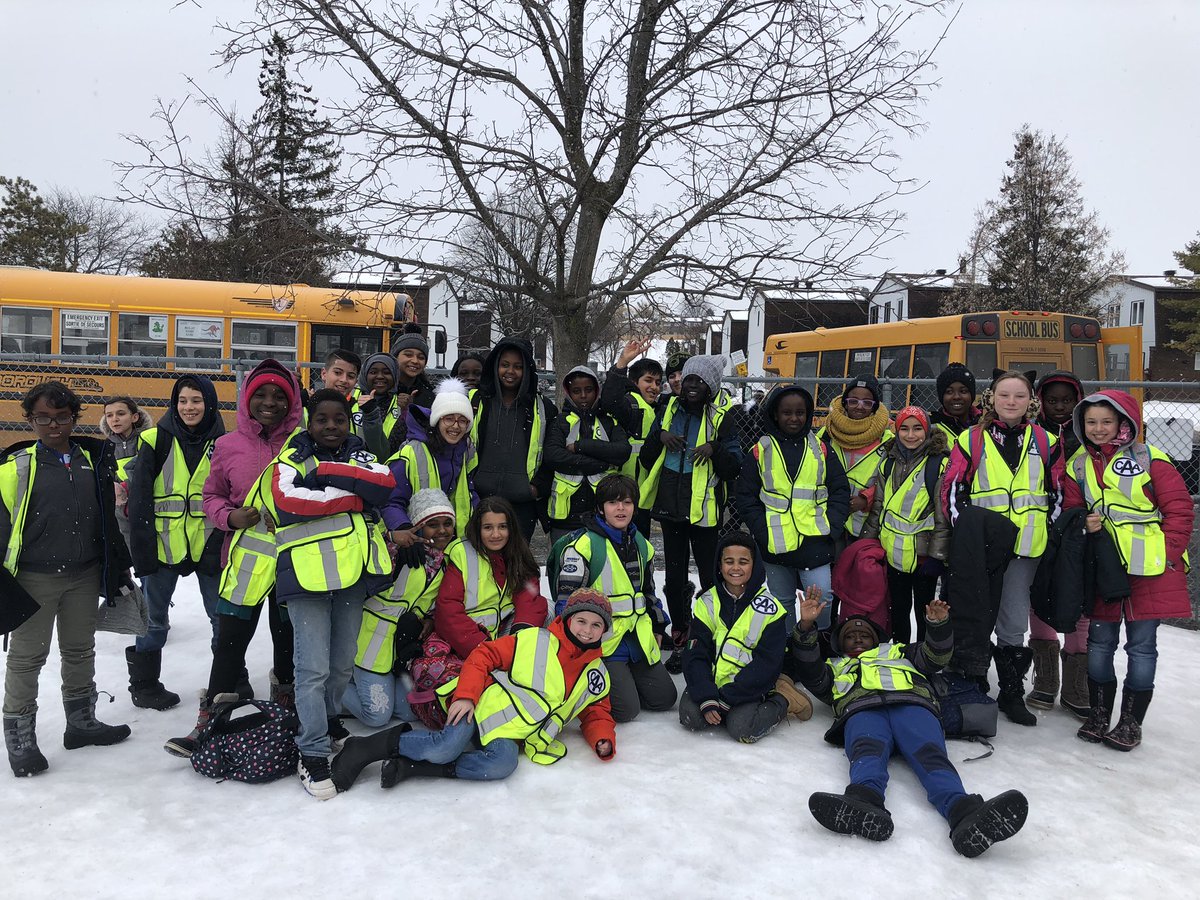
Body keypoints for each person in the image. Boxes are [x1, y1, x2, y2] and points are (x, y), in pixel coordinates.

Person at [796, 591, 1028, 858]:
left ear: (877, 639)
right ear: (840, 643)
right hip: (863, 710)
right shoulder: (835, 667)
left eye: (864, 635)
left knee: (931, 756)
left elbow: (936, 656)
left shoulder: (900, 651)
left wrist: (938, 626)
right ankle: (864, 800)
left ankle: (963, 812)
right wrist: (805, 628)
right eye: (849, 635)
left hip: (913, 706)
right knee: (866, 751)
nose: (857, 638)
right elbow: (811, 674)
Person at [329, 588, 617, 792]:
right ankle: (364, 748)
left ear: (603, 630)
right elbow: (483, 656)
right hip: (480, 705)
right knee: (445, 747)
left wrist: (602, 739)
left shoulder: (597, 674)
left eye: (596, 625)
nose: (587, 630)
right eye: (581, 621)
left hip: (509, 732)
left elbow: (596, 713)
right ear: (567, 619)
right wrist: (466, 695)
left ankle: (414, 768)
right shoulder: (534, 639)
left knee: (502, 765)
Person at [254, 389, 395, 799]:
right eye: (322, 420)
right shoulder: (291, 457)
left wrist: (327, 476)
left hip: (351, 574)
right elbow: (288, 500)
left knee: (340, 663)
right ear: (308, 422)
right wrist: (353, 497)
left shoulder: (357, 449)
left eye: (339, 419)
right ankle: (311, 749)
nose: (331, 426)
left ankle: (330, 722)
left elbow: (384, 483)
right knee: (311, 669)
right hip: (304, 577)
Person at [165, 359, 300, 758]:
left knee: (288, 642)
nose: (269, 402)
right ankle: (211, 720)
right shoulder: (227, 446)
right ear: (246, 398)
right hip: (243, 563)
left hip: (294, 564)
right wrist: (230, 517)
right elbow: (211, 497)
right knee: (229, 643)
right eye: (260, 393)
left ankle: (287, 713)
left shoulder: (304, 442)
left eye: (279, 395)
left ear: (292, 401)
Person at [2, 382, 133, 777]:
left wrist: (116, 565)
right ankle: (20, 736)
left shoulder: (91, 458)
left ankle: (81, 722)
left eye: (62, 417)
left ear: (74, 418)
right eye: (43, 417)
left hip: (83, 574)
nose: (53, 425)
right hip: (33, 578)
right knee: (27, 658)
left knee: (80, 649)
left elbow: (106, 518)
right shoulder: (15, 465)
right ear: (29, 419)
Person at [1065, 390, 1194, 751]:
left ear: (1125, 422)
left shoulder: (1151, 459)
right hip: (1105, 570)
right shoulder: (1079, 463)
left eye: (1107, 421)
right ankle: (1100, 713)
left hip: (1149, 571)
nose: (1099, 429)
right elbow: (1073, 510)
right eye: (1091, 422)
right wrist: (1082, 524)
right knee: (1100, 643)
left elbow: (1180, 510)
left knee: (1141, 647)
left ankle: (1131, 722)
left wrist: (1166, 556)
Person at [940, 370, 1063, 727]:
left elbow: (1057, 492)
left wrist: (1048, 527)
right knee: (976, 615)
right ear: (991, 398)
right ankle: (973, 678)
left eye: (1019, 396)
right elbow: (953, 490)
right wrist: (966, 533)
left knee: (1012, 620)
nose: (1011, 402)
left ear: (1030, 402)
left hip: (1026, 545)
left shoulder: (1045, 440)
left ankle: (1010, 690)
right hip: (981, 548)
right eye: (1004, 395)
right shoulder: (971, 439)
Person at [125, 374, 226, 710]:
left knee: (221, 618)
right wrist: (143, 554)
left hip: (211, 547)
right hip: (163, 548)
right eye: (182, 401)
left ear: (209, 403)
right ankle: (144, 685)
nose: (189, 407)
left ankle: (229, 680)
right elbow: (139, 501)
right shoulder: (154, 440)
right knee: (153, 620)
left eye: (196, 400)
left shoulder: (224, 443)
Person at [638, 354, 741, 673]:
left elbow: (733, 467)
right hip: (670, 506)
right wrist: (661, 436)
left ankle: (706, 634)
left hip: (705, 511)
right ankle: (681, 633)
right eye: (688, 379)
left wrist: (715, 448)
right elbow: (645, 457)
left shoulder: (722, 416)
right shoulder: (668, 409)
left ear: (711, 386)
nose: (691, 385)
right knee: (673, 576)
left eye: (699, 381)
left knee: (710, 577)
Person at [551, 474, 676, 722]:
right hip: (603, 643)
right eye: (613, 502)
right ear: (600, 508)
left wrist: (659, 624)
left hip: (637, 638)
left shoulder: (640, 543)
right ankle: (595, 682)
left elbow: (648, 591)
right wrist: (578, 647)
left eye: (627, 502)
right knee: (626, 711)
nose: (621, 508)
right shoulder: (583, 546)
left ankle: (624, 677)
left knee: (664, 699)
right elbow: (566, 604)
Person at [735, 383, 849, 631]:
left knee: (823, 601)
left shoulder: (821, 450)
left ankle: (817, 645)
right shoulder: (760, 451)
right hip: (775, 543)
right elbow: (745, 496)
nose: (794, 418)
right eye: (787, 412)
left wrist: (833, 526)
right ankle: (785, 648)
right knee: (782, 601)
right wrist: (761, 529)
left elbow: (840, 490)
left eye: (800, 412)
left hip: (815, 542)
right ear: (775, 414)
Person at [679, 533, 808, 743]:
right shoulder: (707, 602)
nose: (735, 568)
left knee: (741, 729)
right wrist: (706, 695)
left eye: (743, 562)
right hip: (712, 680)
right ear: (719, 565)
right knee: (691, 717)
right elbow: (696, 652)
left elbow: (767, 663)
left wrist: (729, 697)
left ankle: (783, 699)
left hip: (748, 685)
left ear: (754, 565)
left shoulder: (771, 609)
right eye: (729, 561)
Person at [344, 489, 456, 727]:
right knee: (377, 715)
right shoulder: (401, 553)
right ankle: (331, 685)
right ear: (418, 527)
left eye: (447, 523)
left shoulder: (446, 562)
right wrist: (394, 538)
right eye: (432, 524)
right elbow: (370, 549)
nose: (442, 530)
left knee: (409, 712)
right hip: (368, 643)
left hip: (398, 652)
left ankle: (356, 682)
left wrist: (428, 619)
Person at [859, 406, 950, 645]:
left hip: (923, 556)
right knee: (898, 608)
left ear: (927, 430)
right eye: (905, 429)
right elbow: (878, 505)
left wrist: (937, 556)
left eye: (917, 428)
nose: (911, 435)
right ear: (897, 431)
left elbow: (943, 517)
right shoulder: (888, 462)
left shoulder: (938, 465)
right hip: (893, 553)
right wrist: (866, 543)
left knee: (924, 611)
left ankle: (923, 656)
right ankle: (900, 652)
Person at [1027, 371, 1089, 715]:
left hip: (1078, 531)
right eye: (1053, 400)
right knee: (1041, 596)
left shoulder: (1089, 435)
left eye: (1067, 400)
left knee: (1079, 603)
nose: (1061, 406)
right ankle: (1047, 677)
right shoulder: (1034, 436)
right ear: (1042, 402)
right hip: (1042, 529)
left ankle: (1077, 681)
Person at [433, 497, 549, 661]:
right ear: (477, 529)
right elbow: (448, 610)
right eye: (488, 528)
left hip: (504, 630)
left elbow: (529, 596)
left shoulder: (516, 550)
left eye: (502, 527)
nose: (496, 534)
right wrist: (484, 649)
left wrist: (520, 635)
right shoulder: (462, 553)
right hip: (470, 638)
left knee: (547, 610)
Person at [470, 337, 557, 541]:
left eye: (518, 366)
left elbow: (552, 453)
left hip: (522, 504)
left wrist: (536, 489)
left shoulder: (543, 408)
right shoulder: (474, 400)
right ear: (495, 366)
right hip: (479, 498)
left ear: (527, 370)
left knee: (516, 565)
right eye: (505, 365)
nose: (510, 372)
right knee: (479, 563)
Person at [382, 377, 477, 541]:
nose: (456, 426)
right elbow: (391, 500)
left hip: (452, 537)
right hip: (416, 537)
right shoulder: (411, 453)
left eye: (463, 421)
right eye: (449, 419)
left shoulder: (464, 451)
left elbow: (467, 492)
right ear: (437, 421)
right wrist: (403, 528)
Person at [544, 366, 630, 543]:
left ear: (597, 391)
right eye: (576, 391)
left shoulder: (608, 422)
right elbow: (553, 456)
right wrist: (601, 463)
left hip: (603, 514)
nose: (583, 396)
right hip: (565, 516)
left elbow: (622, 451)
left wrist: (581, 446)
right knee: (565, 567)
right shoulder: (560, 422)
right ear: (569, 393)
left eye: (588, 390)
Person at [816, 374, 891, 541]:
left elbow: (892, 479)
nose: (859, 406)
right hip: (828, 516)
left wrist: (866, 500)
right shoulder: (827, 434)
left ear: (875, 406)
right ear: (845, 402)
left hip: (865, 523)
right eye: (853, 401)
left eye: (867, 402)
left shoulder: (887, 440)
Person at [600, 338, 662, 536]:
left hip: (639, 494)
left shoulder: (652, 408)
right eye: (648, 381)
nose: (655, 387)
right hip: (623, 493)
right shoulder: (631, 404)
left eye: (659, 382)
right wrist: (621, 365)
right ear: (634, 383)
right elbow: (610, 400)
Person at [100, 396, 154, 550]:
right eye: (109, 415)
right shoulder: (105, 447)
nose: (114, 419)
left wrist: (125, 485)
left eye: (121, 414)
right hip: (119, 509)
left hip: (147, 505)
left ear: (134, 417)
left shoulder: (147, 442)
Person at [928, 363, 979, 441]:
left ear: (972, 395)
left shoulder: (987, 424)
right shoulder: (930, 428)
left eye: (963, 391)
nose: (956, 397)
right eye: (949, 392)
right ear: (941, 396)